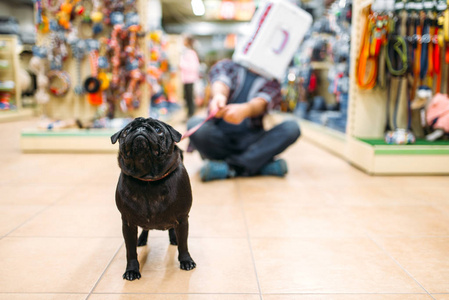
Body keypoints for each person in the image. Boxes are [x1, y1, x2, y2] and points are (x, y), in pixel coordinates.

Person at [187, 59, 301, 182]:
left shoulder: (272, 81)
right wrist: (219, 96)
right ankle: (257, 164)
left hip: (251, 140)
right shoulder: (228, 65)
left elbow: (263, 101)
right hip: (219, 138)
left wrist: (246, 110)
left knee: (291, 128)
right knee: (194, 125)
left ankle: (231, 168)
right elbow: (220, 80)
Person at [179, 35, 200, 119]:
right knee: (187, 98)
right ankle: (189, 114)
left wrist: (182, 64)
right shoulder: (186, 52)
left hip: (190, 79)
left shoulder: (191, 53)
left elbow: (194, 66)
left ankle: (191, 114)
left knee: (190, 98)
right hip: (186, 79)